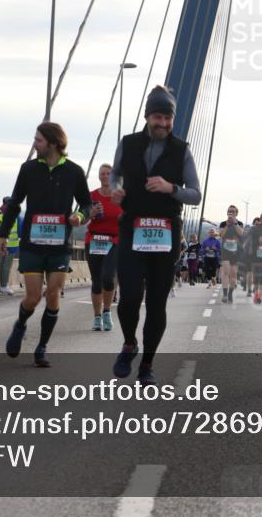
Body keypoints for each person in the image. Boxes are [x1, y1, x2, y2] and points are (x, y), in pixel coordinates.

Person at [111, 86, 202, 386]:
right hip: (132, 230)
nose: (163, 124)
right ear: (147, 116)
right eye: (158, 117)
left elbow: (195, 194)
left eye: (168, 118)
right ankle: (128, 344)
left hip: (166, 234)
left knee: (156, 304)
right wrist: (115, 189)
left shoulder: (182, 149)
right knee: (129, 298)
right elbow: (115, 175)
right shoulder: (128, 143)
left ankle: (147, 364)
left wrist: (170, 188)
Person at [0, 122, 91, 368]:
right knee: (32, 297)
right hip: (32, 244)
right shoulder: (28, 169)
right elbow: (15, 202)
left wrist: (79, 217)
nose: (34, 144)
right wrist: (3, 234)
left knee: (52, 295)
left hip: (59, 246)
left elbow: (86, 204)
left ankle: (42, 347)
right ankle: (20, 325)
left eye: (38, 140)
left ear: (52, 143)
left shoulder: (74, 171)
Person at [86, 162, 121, 332]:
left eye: (108, 173)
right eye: (102, 174)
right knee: (96, 281)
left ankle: (107, 311)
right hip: (93, 240)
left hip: (114, 241)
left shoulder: (120, 196)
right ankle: (97, 317)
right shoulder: (91, 196)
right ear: (99, 176)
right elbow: (81, 219)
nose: (105, 176)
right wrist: (89, 214)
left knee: (108, 277)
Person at [0, 197, 22, 295]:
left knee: (1, 265)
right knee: (7, 266)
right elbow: (21, 232)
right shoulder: (17, 217)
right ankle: (4, 286)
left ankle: (2, 286)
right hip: (12, 245)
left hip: (1, 245)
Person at [218, 206, 244, 303]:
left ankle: (230, 293)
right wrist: (227, 225)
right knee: (225, 272)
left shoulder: (239, 223)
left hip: (236, 252)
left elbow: (241, 233)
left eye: (233, 211)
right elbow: (221, 235)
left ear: (236, 213)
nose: (231, 213)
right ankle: (224, 294)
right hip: (225, 251)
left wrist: (235, 223)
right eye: (229, 211)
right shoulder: (223, 223)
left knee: (233, 275)